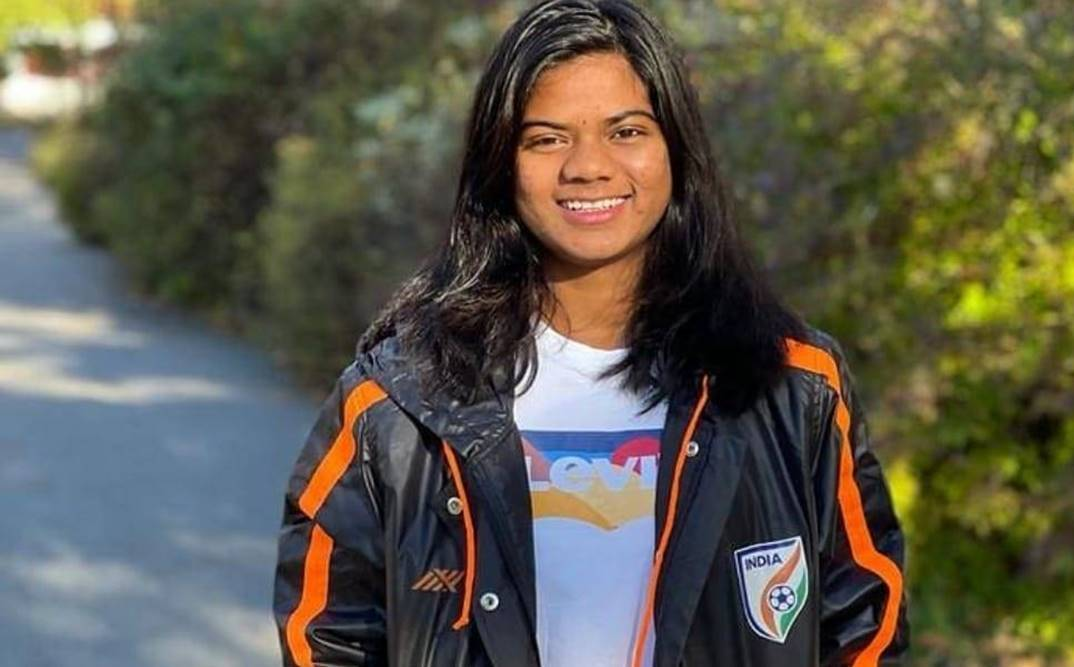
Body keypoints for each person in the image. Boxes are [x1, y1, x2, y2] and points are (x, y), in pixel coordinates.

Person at [272, 0, 908, 665]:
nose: (588, 166)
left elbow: (863, 625)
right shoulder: (398, 403)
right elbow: (327, 639)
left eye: (626, 131)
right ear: (501, 162)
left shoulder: (793, 386)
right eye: (547, 139)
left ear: (676, 149)